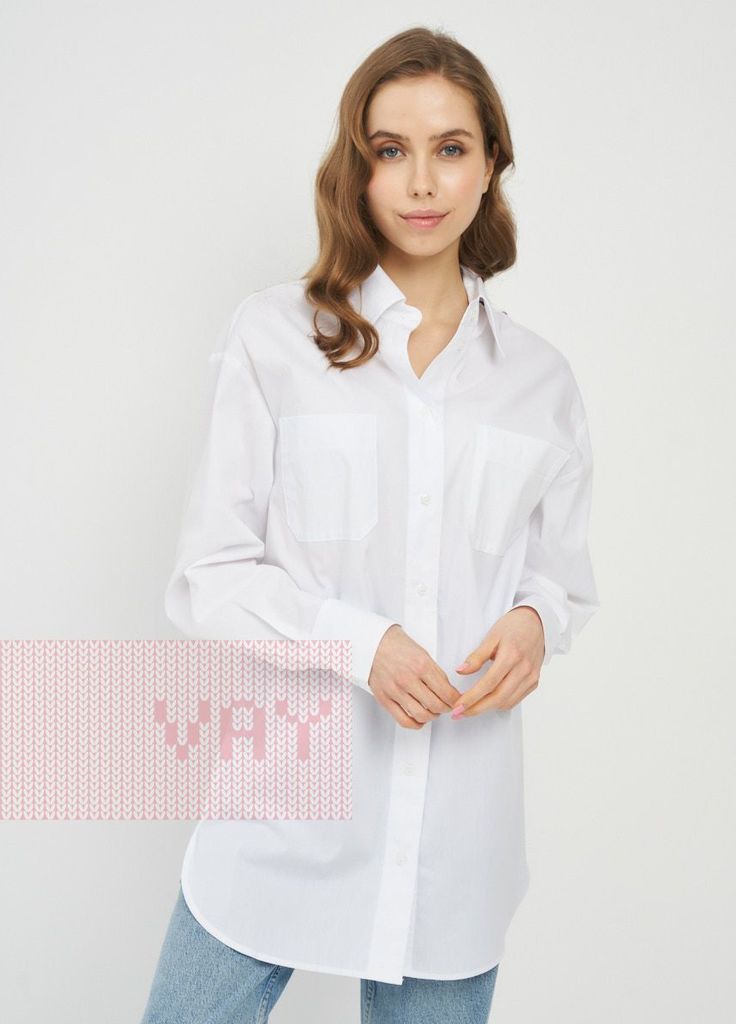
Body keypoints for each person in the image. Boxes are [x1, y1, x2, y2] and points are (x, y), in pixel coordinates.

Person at [140, 25, 600, 1024]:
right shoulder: (275, 338)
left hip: (456, 847)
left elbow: (559, 579)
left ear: (492, 164)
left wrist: (535, 623)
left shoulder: (541, 382)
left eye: (451, 148)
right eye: (391, 150)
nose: (422, 181)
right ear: (358, 169)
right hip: (281, 820)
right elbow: (211, 575)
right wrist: (364, 645)